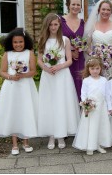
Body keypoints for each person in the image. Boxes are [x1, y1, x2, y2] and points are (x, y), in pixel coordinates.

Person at [0, 28, 38, 155]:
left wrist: (23, 75)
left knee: (25, 111)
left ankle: (26, 142)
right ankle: (15, 144)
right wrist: (11, 76)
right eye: (15, 42)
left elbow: (33, 71)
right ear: (11, 43)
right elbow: (2, 71)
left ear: (25, 41)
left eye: (20, 42)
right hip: (11, 87)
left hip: (26, 86)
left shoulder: (29, 53)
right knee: (13, 111)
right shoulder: (7, 54)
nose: (18, 44)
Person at [37, 13, 80, 149]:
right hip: (48, 76)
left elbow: (69, 60)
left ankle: (61, 135)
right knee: (49, 103)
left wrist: (59, 66)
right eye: (51, 24)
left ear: (59, 25)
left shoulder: (65, 40)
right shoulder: (42, 40)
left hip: (62, 75)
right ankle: (51, 135)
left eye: (56, 24)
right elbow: (39, 59)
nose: (53, 27)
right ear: (47, 25)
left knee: (61, 103)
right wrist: (46, 67)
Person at [72, 57, 112, 155]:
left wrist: (110, 107)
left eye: (97, 68)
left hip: (101, 107)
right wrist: (85, 105)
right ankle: (90, 145)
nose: (95, 71)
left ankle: (98, 144)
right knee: (91, 126)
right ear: (88, 69)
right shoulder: (86, 80)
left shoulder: (104, 80)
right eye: (92, 69)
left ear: (100, 69)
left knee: (100, 125)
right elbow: (83, 94)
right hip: (90, 108)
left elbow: (108, 95)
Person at [84, 0, 112, 79]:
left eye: (108, 10)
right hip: (96, 63)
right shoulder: (93, 26)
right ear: (99, 10)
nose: (105, 12)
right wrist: (95, 55)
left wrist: (110, 53)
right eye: (103, 9)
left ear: (111, 12)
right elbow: (87, 46)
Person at [61, 0, 85, 101]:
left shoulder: (83, 23)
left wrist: (80, 48)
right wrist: (70, 50)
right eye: (73, 4)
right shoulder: (60, 21)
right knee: (67, 84)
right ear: (68, 5)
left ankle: (79, 111)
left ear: (81, 7)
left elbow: (86, 40)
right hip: (65, 58)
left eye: (78, 5)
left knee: (79, 83)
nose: (75, 7)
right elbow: (56, 39)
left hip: (79, 58)